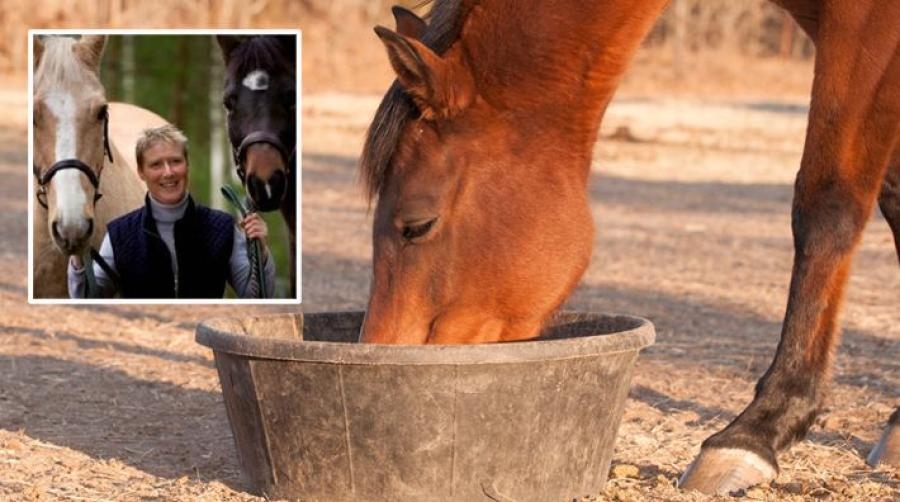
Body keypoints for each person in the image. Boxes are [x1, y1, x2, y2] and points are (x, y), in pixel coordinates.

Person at [68, 125, 275, 299]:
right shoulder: (119, 234)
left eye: (175, 161)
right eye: (156, 164)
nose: (168, 172)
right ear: (141, 172)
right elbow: (88, 300)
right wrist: (78, 254)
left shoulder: (222, 227)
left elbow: (255, 297)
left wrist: (261, 251)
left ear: (187, 165)